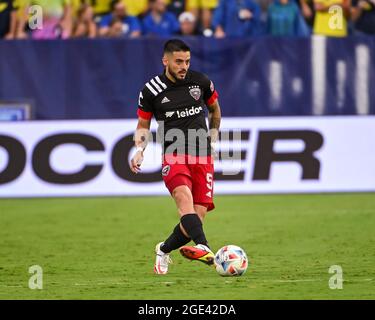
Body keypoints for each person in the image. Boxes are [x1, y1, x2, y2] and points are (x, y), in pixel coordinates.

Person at [130, 39, 222, 274]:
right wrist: (139, 150)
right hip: (174, 154)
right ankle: (205, 247)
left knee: (196, 217)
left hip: (203, 156)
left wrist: (213, 135)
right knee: (184, 202)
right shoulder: (151, 90)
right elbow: (143, 124)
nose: (184, 66)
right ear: (166, 61)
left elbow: (214, 109)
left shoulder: (200, 81)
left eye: (187, 61)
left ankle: (163, 249)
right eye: (179, 62)